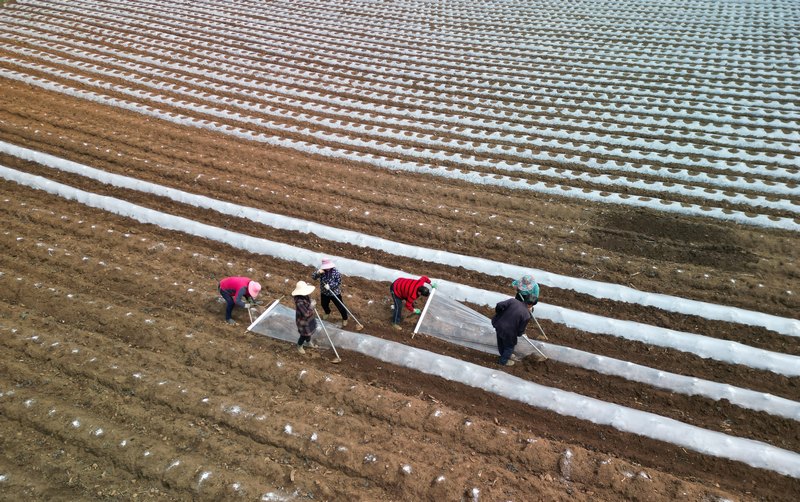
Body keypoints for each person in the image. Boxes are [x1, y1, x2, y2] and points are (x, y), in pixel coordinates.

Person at [491, 286, 538, 366]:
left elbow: (499, 305)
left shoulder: (513, 301)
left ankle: (504, 354)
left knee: (501, 342)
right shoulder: (526, 315)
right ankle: (503, 361)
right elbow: (520, 330)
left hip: (498, 324)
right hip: (509, 332)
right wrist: (520, 334)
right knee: (509, 347)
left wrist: (499, 314)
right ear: (531, 305)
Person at [311, 258, 349, 328]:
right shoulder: (322, 271)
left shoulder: (336, 272)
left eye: (328, 267)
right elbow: (313, 277)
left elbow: (338, 282)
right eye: (326, 267)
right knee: (324, 304)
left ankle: (345, 318)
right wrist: (317, 273)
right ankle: (327, 312)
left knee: (340, 306)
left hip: (335, 293)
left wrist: (330, 286)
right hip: (324, 292)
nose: (327, 268)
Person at [292, 280, 318, 354]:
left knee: (308, 332)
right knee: (304, 334)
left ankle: (308, 342)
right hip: (303, 321)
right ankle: (299, 345)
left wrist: (311, 302)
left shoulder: (305, 296)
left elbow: (308, 303)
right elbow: (306, 314)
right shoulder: (299, 302)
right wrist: (311, 306)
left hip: (309, 319)